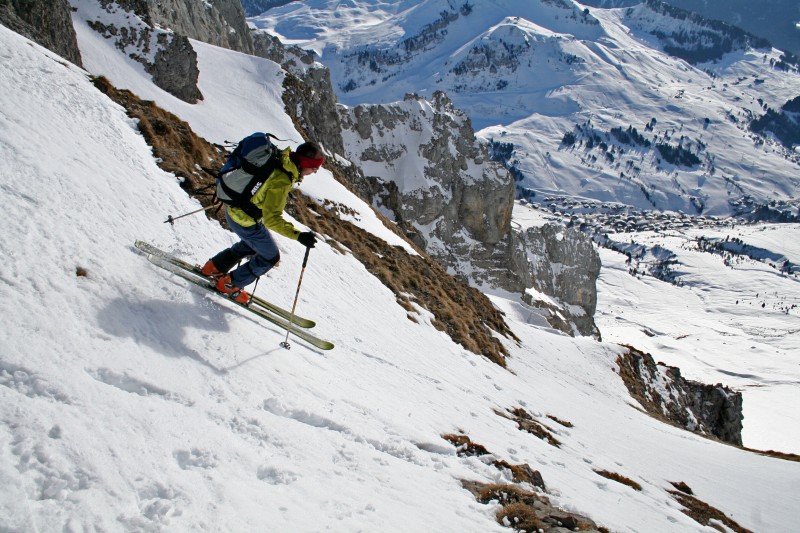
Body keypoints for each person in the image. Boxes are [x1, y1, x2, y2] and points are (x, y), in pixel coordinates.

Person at [200, 140, 324, 304]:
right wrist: (299, 235)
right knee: (270, 256)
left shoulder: (280, 159)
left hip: (234, 209)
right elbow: (272, 219)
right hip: (245, 219)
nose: (314, 172)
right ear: (305, 163)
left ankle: (214, 268)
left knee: (251, 244)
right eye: (314, 168)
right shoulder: (282, 179)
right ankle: (230, 285)